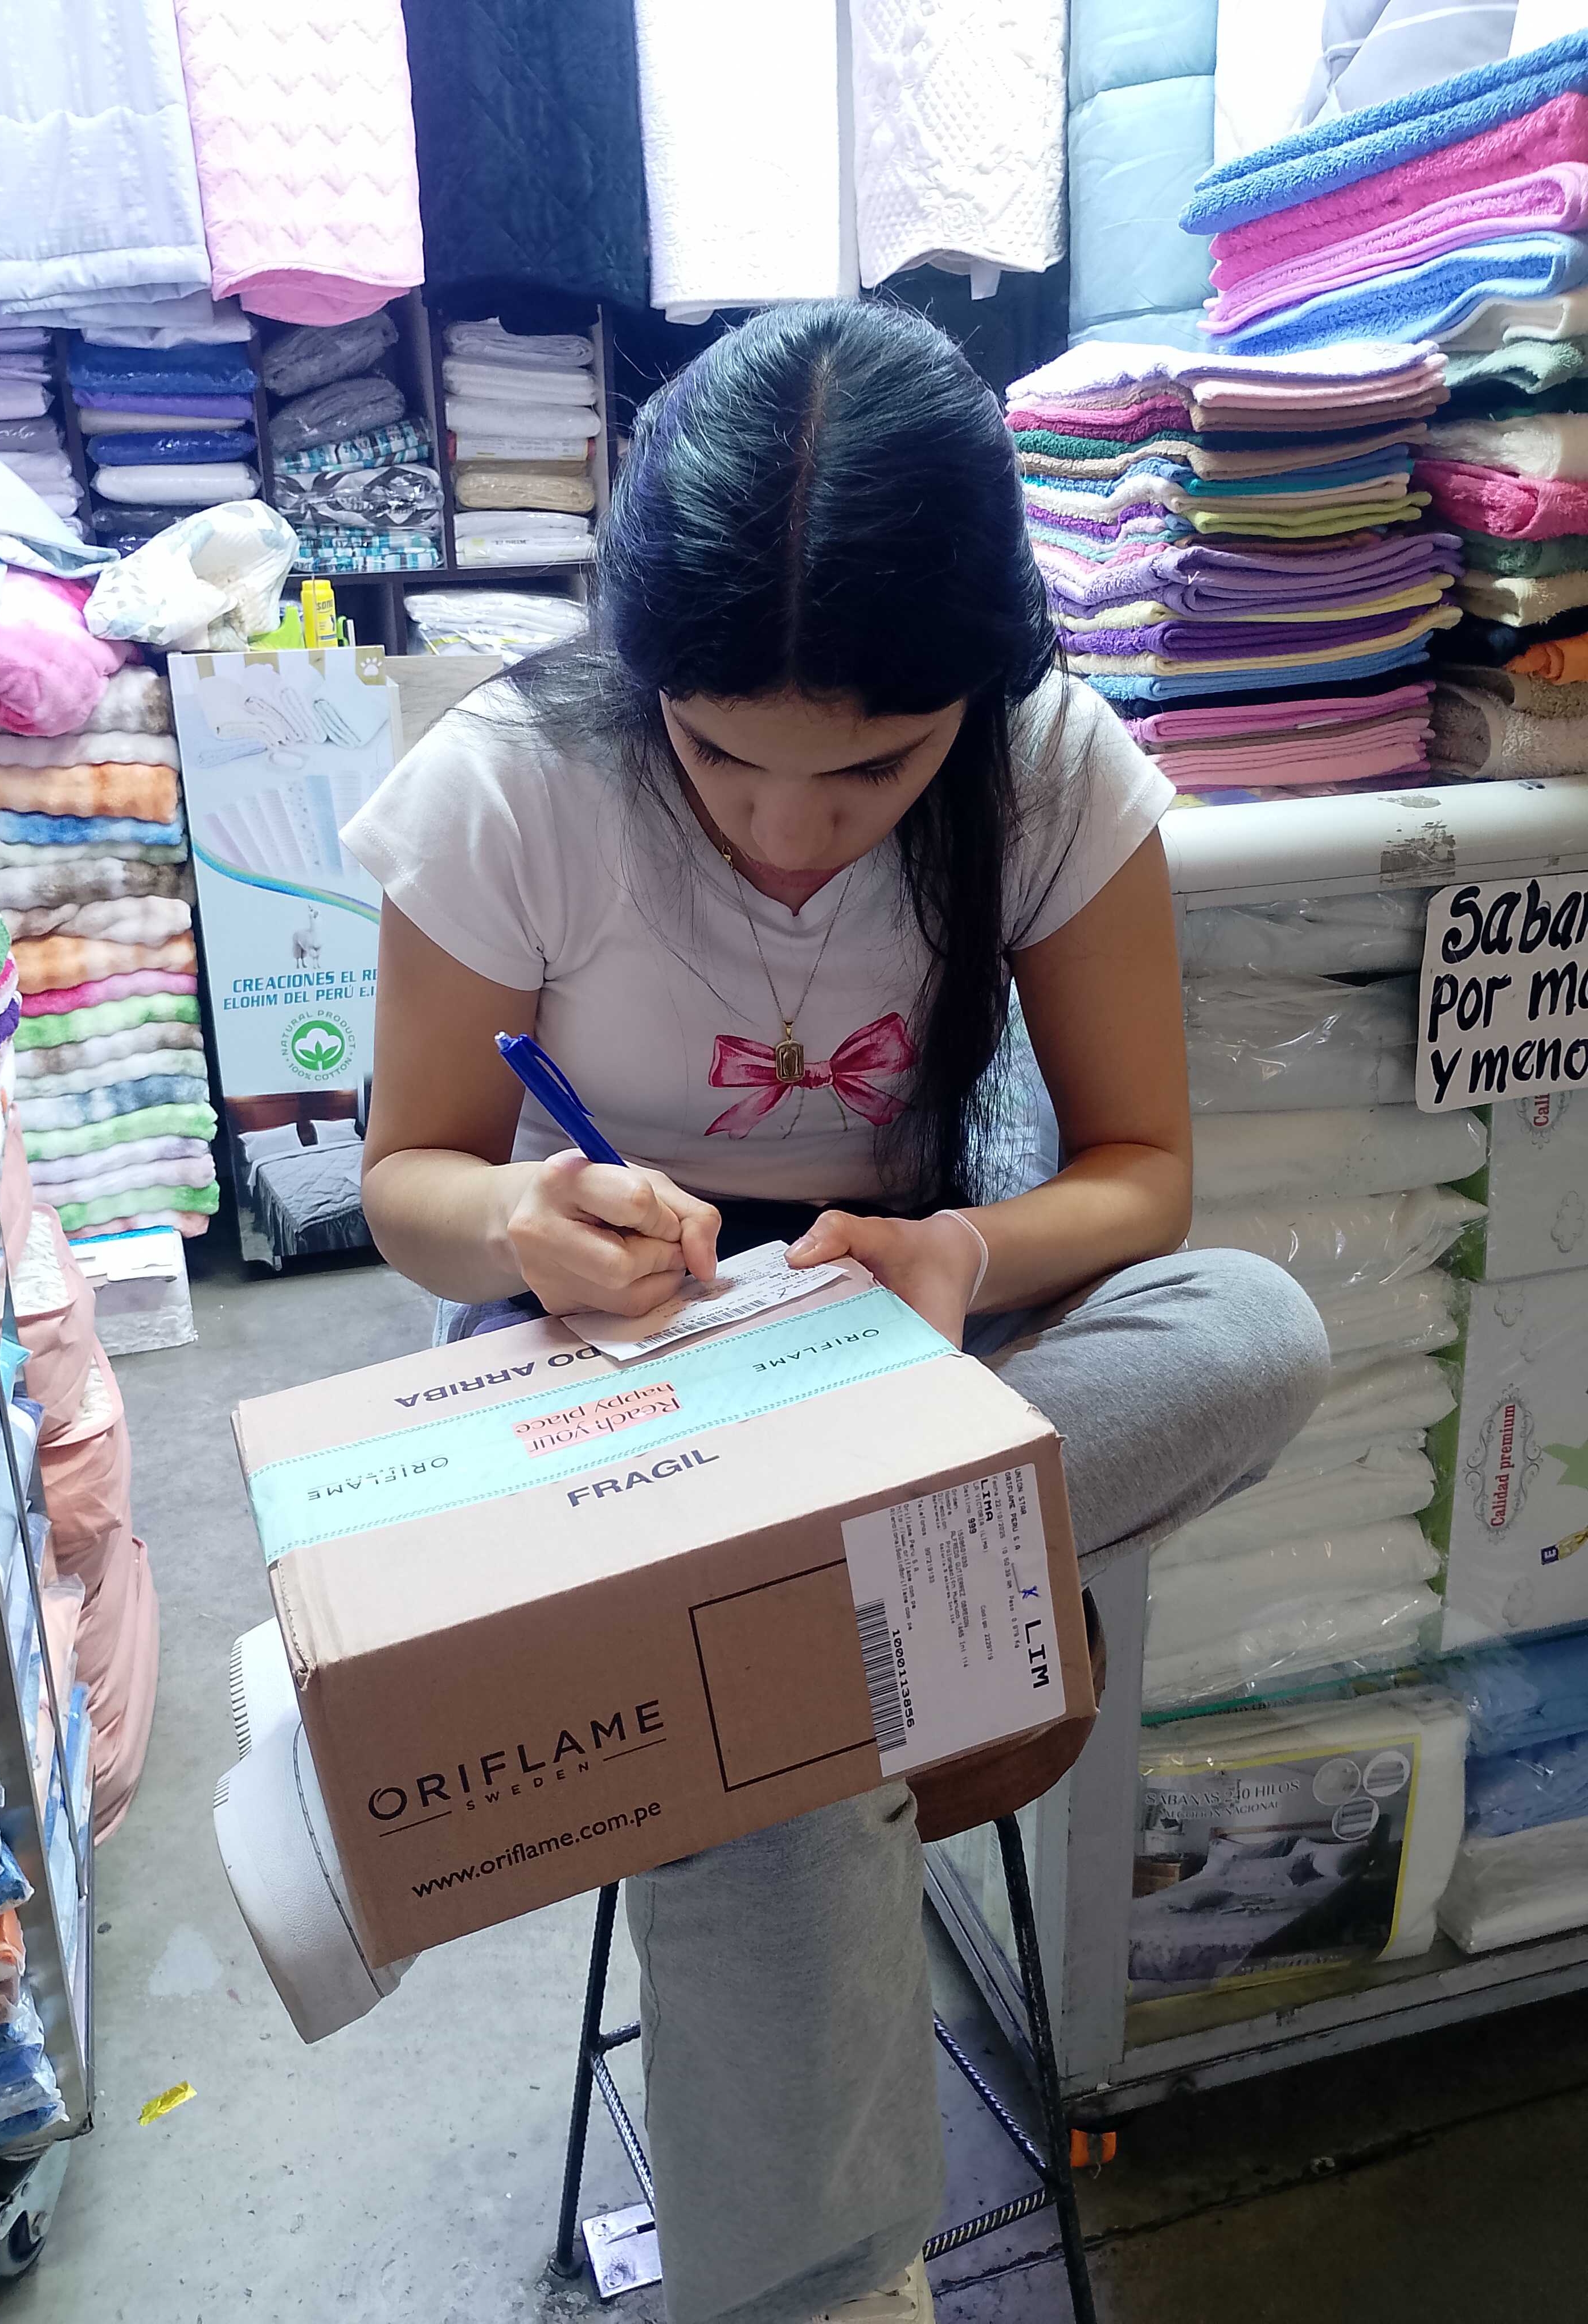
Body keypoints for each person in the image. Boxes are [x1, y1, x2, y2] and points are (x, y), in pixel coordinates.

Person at [346, 302, 1328, 2324]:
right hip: (600, 1363)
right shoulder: (513, 781)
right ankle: (825, 2278)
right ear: (645, 673)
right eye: (717, 753)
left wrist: (965, 1256)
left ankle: (754, 1602)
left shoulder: (1052, 767)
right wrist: (524, 1214)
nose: (789, 834)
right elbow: (404, 1184)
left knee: (1252, 1329)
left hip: (895, 1343)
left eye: (876, 766)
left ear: (980, 685)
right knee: (793, 1714)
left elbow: (1144, 1176)